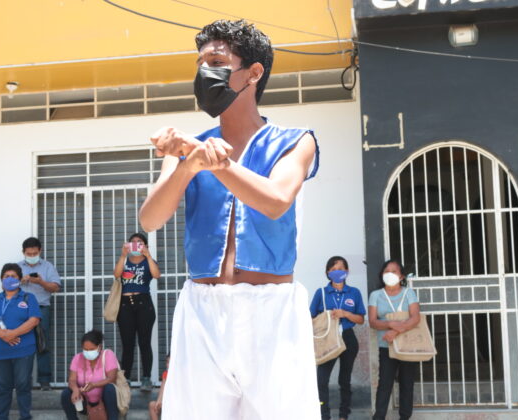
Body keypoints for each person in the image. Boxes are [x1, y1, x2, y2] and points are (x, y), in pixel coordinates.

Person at [138, 19, 321, 419]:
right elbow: (150, 219)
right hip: (202, 308)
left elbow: (276, 201)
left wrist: (215, 163)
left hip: (271, 310)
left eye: (217, 62)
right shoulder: (188, 150)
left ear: (253, 73)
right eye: (200, 63)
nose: (205, 72)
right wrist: (189, 164)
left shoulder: (296, 141)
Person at [309, 256, 366, 420]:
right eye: (333, 269)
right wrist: (326, 317)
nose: (337, 272)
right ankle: (324, 414)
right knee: (321, 380)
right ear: (327, 272)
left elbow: (361, 319)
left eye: (340, 269)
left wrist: (345, 313)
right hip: (327, 338)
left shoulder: (354, 292)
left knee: (344, 380)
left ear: (347, 271)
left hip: (348, 337)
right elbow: (310, 317)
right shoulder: (321, 292)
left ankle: (343, 415)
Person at [0, 263, 42, 420]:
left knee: (23, 384)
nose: (9, 279)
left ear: (20, 279)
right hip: (0, 351)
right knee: (3, 387)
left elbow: (34, 320)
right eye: (6, 276)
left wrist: (13, 333)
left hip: (24, 349)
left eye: (13, 276)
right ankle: (1, 417)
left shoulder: (28, 298)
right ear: (1, 279)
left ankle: (25, 416)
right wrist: (4, 335)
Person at [368, 260, 421, 420]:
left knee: (407, 383)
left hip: (408, 345)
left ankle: (405, 417)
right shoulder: (376, 295)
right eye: (387, 271)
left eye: (394, 271)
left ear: (402, 276)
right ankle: (379, 416)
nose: (390, 274)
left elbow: (415, 318)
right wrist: (390, 324)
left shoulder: (409, 293)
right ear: (382, 275)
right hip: (386, 346)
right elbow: (373, 322)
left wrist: (395, 331)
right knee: (385, 383)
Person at [113, 232, 159, 391]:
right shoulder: (124, 260)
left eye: (140, 242)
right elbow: (116, 274)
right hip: (125, 305)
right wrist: (122, 255)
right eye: (133, 242)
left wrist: (148, 255)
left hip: (143, 303)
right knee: (127, 344)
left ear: (145, 245)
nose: (136, 245)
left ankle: (146, 378)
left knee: (144, 342)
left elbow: (156, 275)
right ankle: (126, 379)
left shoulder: (148, 261)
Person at [17, 236, 61, 390]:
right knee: (21, 345)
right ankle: (23, 381)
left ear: (40, 251)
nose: (32, 256)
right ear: (23, 252)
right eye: (29, 254)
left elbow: (55, 287)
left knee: (42, 344)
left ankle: (44, 381)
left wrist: (40, 282)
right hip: (21, 310)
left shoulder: (47, 266)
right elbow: (7, 286)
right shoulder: (17, 267)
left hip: (42, 309)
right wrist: (20, 281)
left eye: (34, 253)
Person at [60, 330, 120, 420]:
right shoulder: (77, 358)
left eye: (91, 349)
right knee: (66, 394)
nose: (88, 352)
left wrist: (94, 385)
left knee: (109, 389)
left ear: (99, 347)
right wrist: (75, 390)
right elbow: (72, 380)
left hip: (106, 402)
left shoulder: (108, 355)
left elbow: (112, 378)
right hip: (85, 402)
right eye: (85, 349)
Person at [148, 354, 170, 420]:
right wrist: (159, 401)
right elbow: (162, 389)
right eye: (167, 362)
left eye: (170, 362)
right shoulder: (166, 374)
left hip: (177, 403)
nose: (168, 365)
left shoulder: (180, 374)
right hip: (167, 401)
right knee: (152, 405)